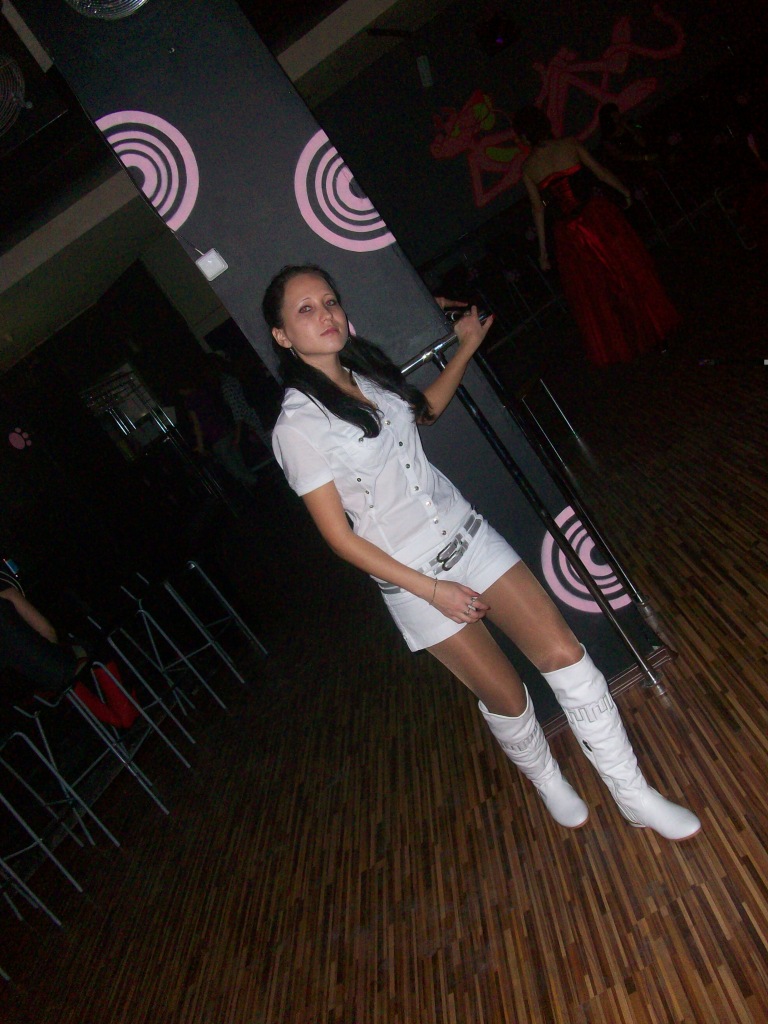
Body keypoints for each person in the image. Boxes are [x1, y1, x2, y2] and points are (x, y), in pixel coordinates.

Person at [263, 264, 701, 842]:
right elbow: (340, 538)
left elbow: (423, 411)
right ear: (282, 336)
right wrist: (434, 591)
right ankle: (546, 779)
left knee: (566, 655)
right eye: (306, 309)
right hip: (414, 581)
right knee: (508, 697)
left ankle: (633, 794)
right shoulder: (296, 426)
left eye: (330, 301)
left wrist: (465, 347)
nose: (326, 315)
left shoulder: (367, 372)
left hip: (468, 534)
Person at [514, 106, 680, 366]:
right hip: (597, 220)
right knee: (626, 273)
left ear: (525, 136)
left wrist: (543, 252)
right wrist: (623, 190)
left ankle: (629, 341)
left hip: (571, 233)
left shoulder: (529, 168)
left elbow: (539, 210)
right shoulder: (569, 144)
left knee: (599, 292)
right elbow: (599, 172)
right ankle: (652, 334)